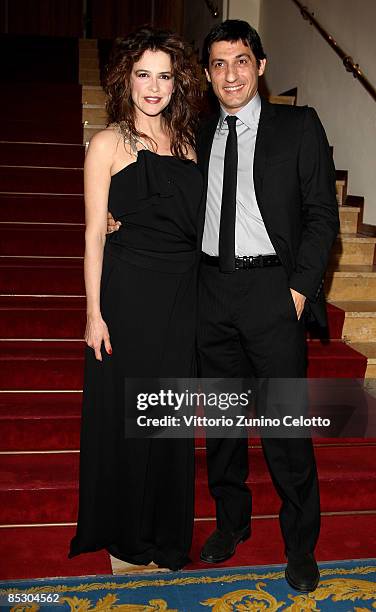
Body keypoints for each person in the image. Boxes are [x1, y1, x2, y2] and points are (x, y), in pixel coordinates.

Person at [107, 19, 339, 592]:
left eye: (240, 61)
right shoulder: (197, 133)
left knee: (284, 426)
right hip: (208, 292)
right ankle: (231, 524)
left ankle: (300, 545)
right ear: (207, 75)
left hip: (272, 293)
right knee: (226, 426)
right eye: (217, 64)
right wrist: (121, 220)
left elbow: (321, 217)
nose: (230, 73)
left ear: (260, 67)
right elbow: (167, 197)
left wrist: (299, 290)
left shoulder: (298, 126)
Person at [69, 27, 203, 571]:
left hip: (182, 297)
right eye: (143, 73)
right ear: (126, 79)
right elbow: (93, 235)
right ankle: (128, 533)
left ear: (178, 83)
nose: (153, 86)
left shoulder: (192, 145)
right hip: (127, 297)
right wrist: (93, 314)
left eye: (164, 75)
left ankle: (167, 532)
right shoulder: (106, 144)